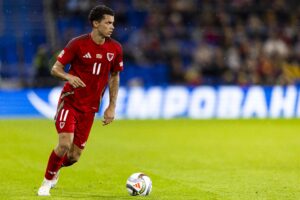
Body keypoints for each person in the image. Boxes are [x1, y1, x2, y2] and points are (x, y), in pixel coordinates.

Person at [37, 5, 123, 196]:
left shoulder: (115, 48)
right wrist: (68, 77)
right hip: (70, 101)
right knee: (65, 143)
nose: (112, 27)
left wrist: (111, 106)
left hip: (90, 107)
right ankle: (46, 182)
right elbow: (55, 68)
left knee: (74, 156)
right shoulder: (77, 44)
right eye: (108, 23)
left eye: (113, 23)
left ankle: (56, 168)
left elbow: (115, 76)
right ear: (95, 23)